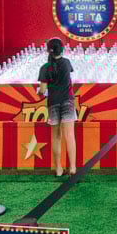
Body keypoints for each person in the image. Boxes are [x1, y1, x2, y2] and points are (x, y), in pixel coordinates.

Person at [38, 38, 76, 177]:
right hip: (67, 101)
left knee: (56, 136)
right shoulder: (67, 63)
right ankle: (72, 168)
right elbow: (70, 80)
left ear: (48, 50)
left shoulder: (45, 67)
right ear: (62, 49)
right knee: (69, 135)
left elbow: (42, 90)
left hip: (53, 102)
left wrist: (40, 92)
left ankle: (58, 169)